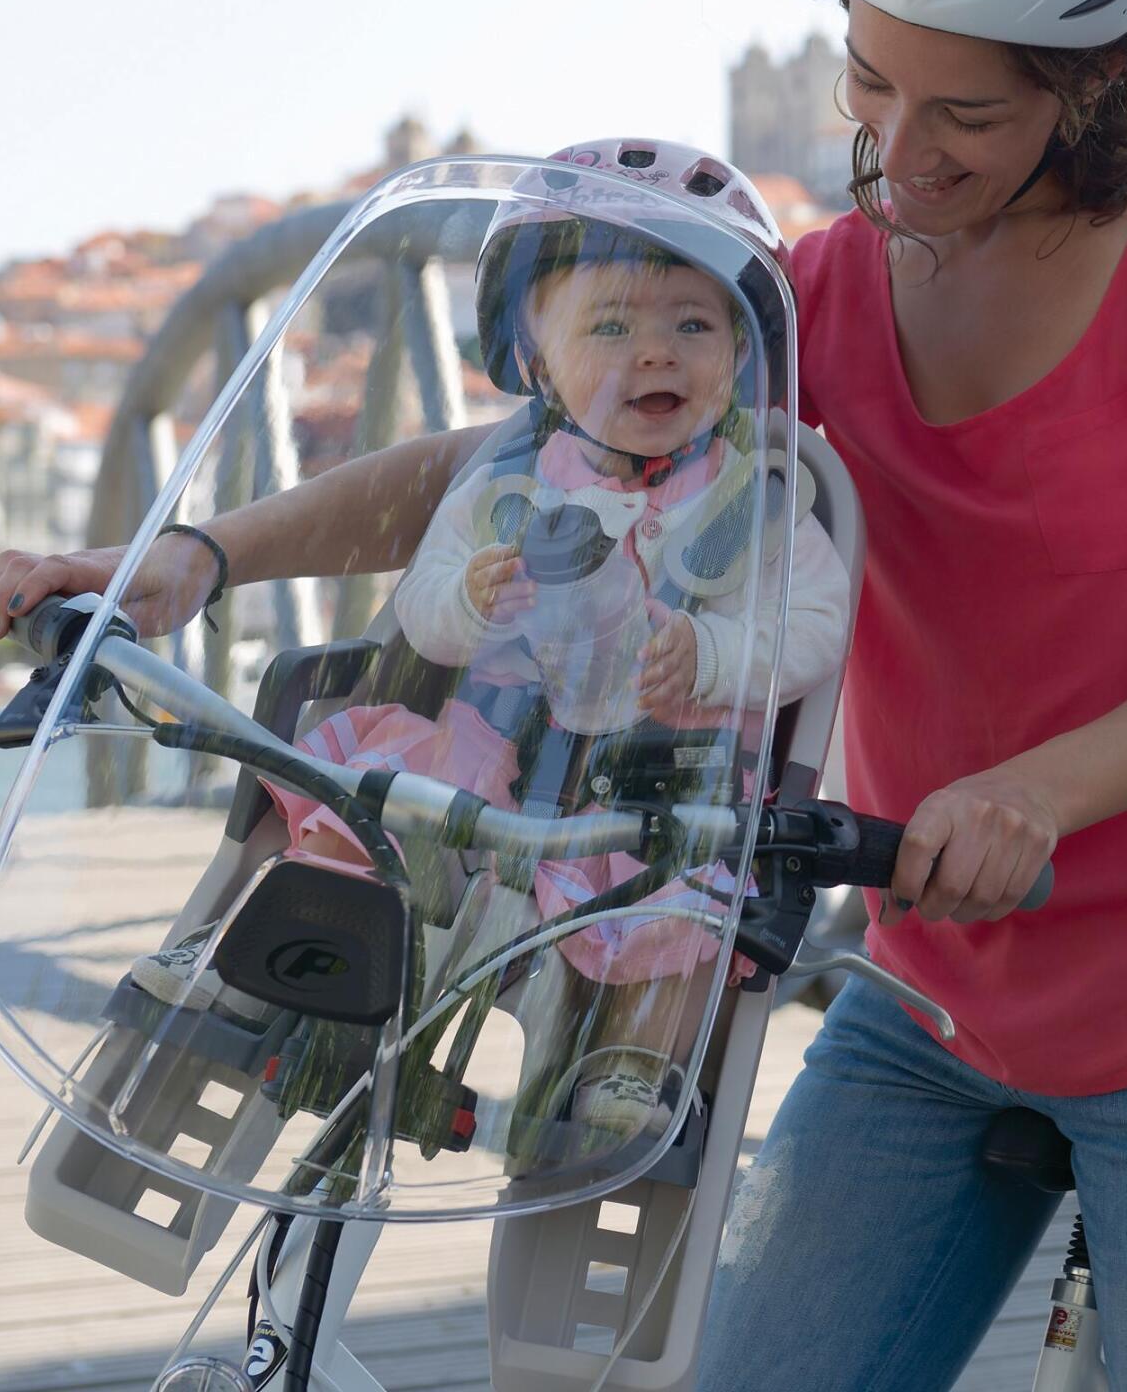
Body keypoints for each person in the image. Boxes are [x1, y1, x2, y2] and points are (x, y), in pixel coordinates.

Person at [0, 0, 1127, 1389]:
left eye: (969, 114)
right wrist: (199, 555)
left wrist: (1033, 795)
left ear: (1097, 80)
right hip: (938, 989)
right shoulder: (820, 299)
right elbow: (507, 459)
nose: (900, 148)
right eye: (872, 82)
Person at [132, 139, 852, 1146]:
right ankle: (257, 953)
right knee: (370, 789)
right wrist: (466, 599)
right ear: (537, 361)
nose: (656, 352)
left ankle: (633, 1063)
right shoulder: (512, 477)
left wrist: (719, 653)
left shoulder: (751, 501)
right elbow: (425, 603)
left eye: (695, 324)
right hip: (491, 751)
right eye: (610, 326)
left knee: (690, 904)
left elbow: (817, 621)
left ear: (740, 354)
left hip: (652, 778)